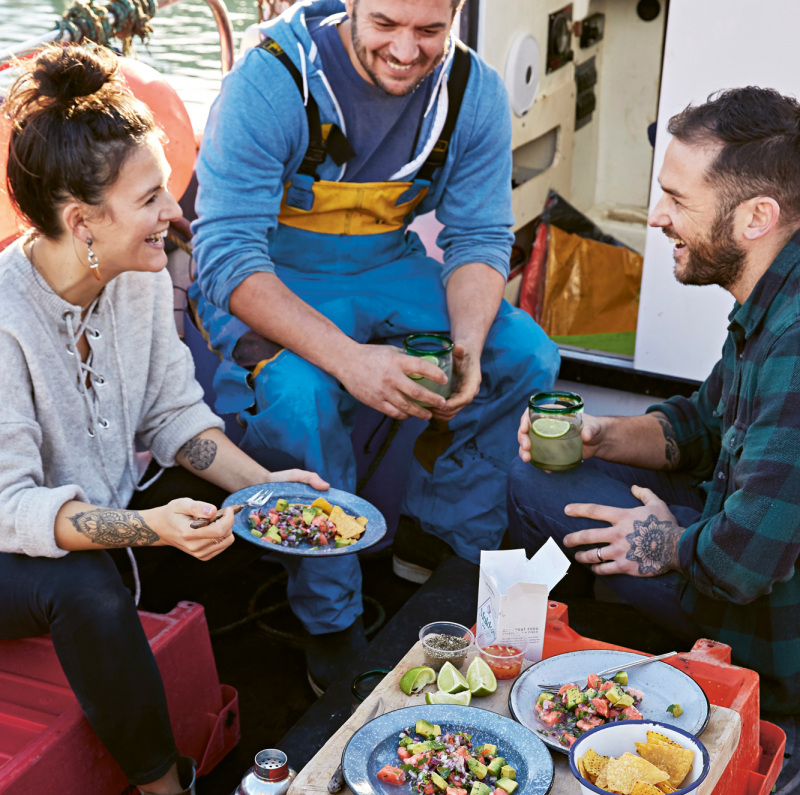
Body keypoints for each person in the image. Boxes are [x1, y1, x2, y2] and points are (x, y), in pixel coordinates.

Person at [0, 43, 327, 795]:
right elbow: (14, 510)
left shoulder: (135, 273)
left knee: (274, 495)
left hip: (106, 517)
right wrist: (148, 527)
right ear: (81, 220)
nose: (172, 216)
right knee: (82, 583)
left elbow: (174, 418)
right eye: (150, 200)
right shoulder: (3, 317)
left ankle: (300, 689)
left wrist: (262, 488)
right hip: (13, 545)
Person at [190, 0, 560, 693]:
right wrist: (350, 360)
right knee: (304, 396)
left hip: (386, 264)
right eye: (385, 25)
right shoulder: (271, 79)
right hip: (271, 273)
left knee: (525, 357)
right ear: (350, 5)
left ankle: (439, 535)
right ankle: (330, 623)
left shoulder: (470, 89)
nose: (405, 50)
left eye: (428, 31)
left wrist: (469, 349)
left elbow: (478, 238)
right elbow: (225, 259)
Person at [508, 86, 800, 716]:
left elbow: (744, 562)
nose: (656, 216)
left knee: (530, 485)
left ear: (756, 217)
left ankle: (565, 682)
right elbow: (701, 424)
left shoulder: (798, 338)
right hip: (730, 542)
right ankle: (587, 653)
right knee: (554, 463)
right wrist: (599, 434)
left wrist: (666, 545)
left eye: (677, 199)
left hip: (772, 630)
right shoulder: (774, 295)